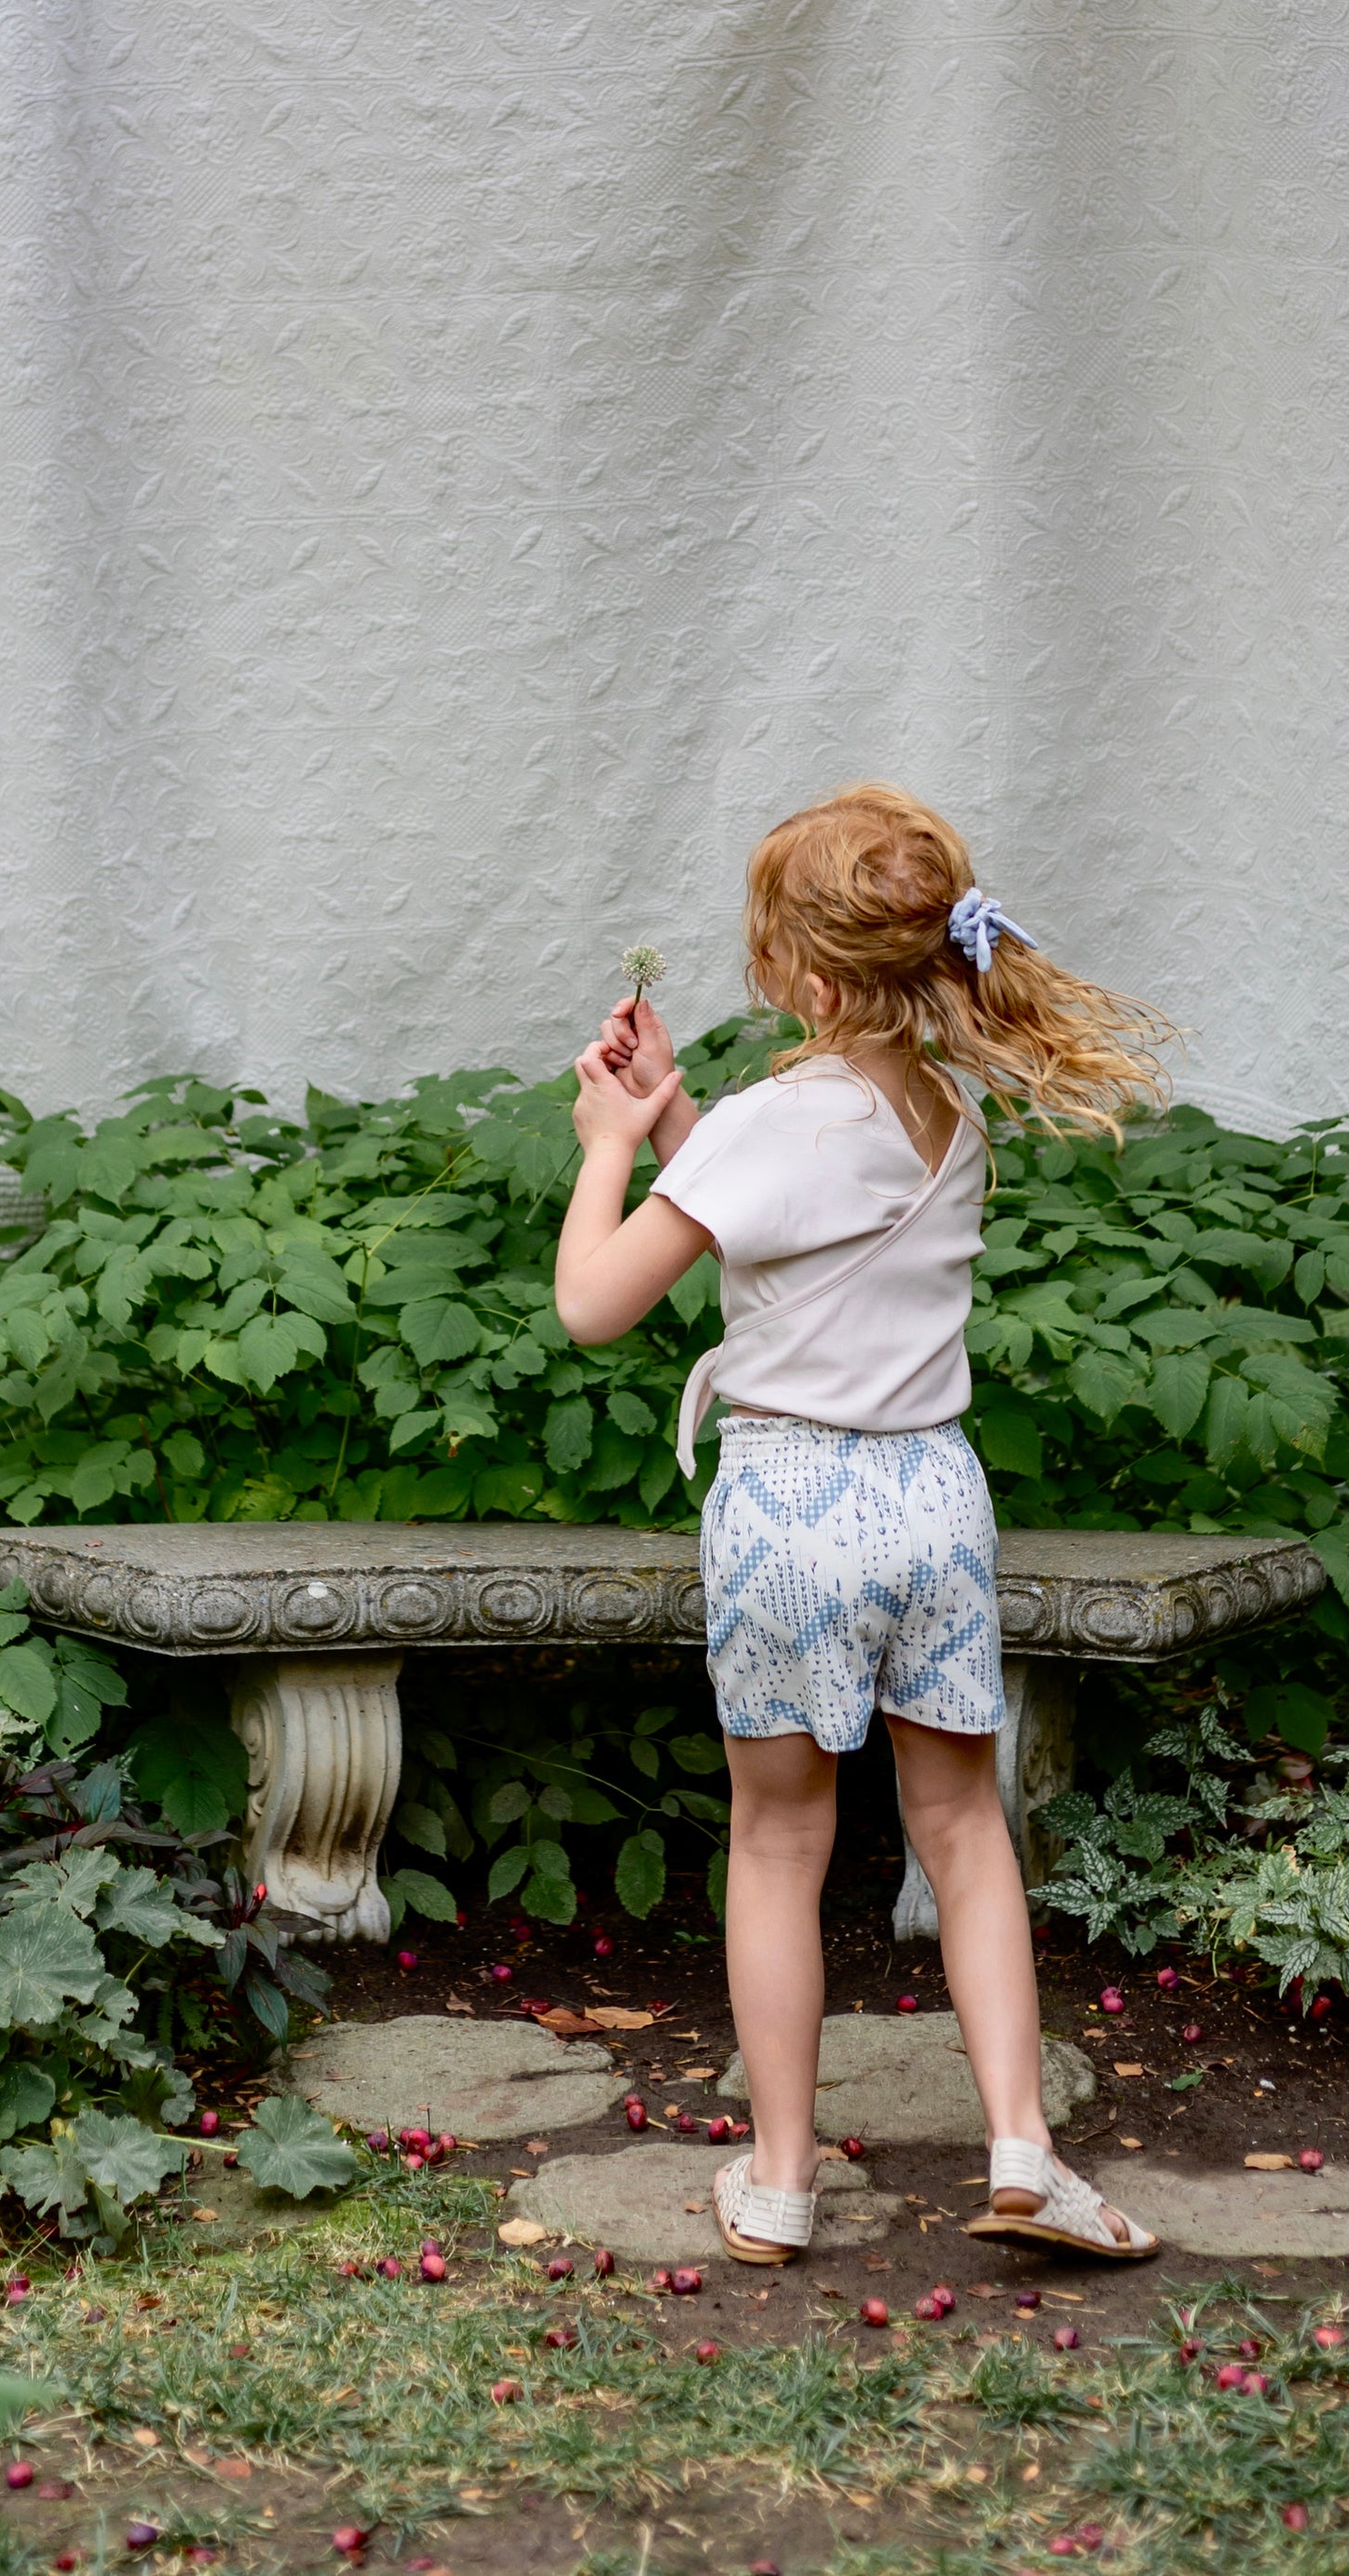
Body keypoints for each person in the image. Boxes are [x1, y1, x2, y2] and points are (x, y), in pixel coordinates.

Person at [553, 783, 1173, 2266]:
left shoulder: (769, 1127)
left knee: (780, 1841)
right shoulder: (946, 1111)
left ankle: (778, 2180)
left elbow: (591, 1306)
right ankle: (1022, 2149)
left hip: (793, 1506)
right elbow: (804, 1223)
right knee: (961, 1829)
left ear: (812, 983)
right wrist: (683, 1118)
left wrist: (609, 1141)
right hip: (931, 1500)